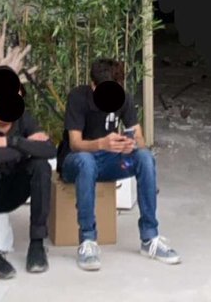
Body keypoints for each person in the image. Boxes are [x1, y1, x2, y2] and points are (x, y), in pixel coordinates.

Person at [59, 58, 181, 272]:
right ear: (93, 85)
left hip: (109, 161)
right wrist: (102, 144)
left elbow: (140, 138)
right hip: (76, 161)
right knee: (86, 161)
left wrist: (130, 144)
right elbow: (75, 143)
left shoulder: (124, 98)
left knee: (145, 157)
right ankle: (88, 241)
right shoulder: (78, 97)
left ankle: (149, 237)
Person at [0, 82, 56, 277]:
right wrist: (24, 149)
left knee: (41, 166)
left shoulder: (25, 121)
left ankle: (37, 244)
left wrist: (11, 142)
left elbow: (49, 150)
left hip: (14, 190)